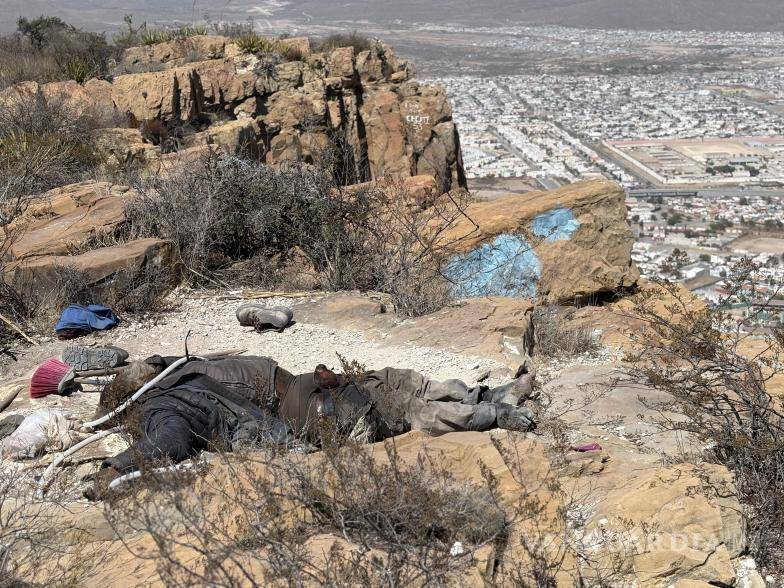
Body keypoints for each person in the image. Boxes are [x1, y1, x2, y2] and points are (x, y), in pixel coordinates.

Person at [86, 355, 537, 499]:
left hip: (303, 390)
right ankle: (490, 413)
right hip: (299, 407)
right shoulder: (168, 398)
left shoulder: (175, 374)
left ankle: (481, 396)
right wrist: (117, 465)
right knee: (388, 408)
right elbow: (170, 439)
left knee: (389, 382)